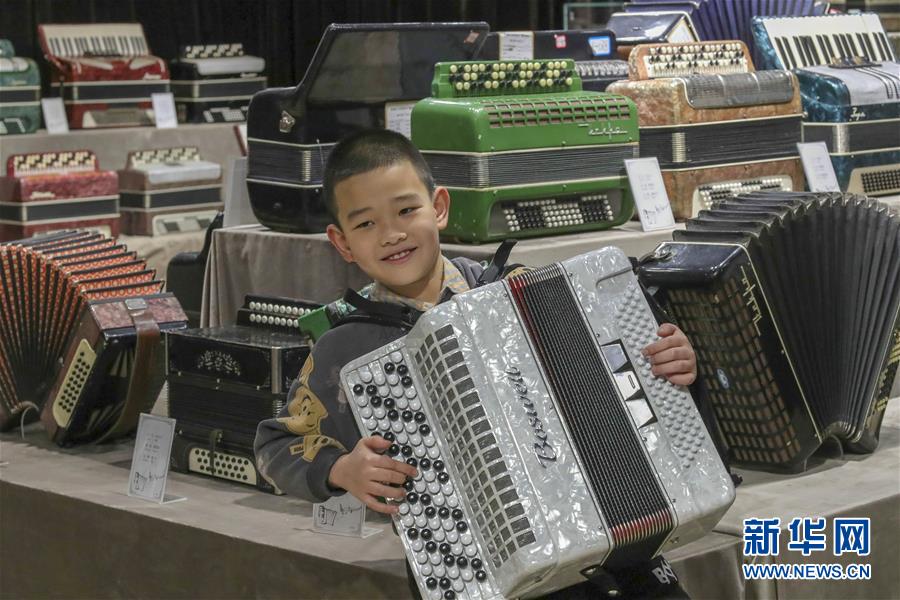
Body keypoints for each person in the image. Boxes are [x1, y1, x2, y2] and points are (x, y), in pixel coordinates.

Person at [254, 129, 697, 598]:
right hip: (475, 568)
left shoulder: (516, 290)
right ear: (342, 243)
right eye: (366, 224)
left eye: (406, 210)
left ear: (439, 207)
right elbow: (274, 446)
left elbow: (622, 372)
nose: (392, 234)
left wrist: (671, 364)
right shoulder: (346, 347)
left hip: (618, 553)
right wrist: (340, 468)